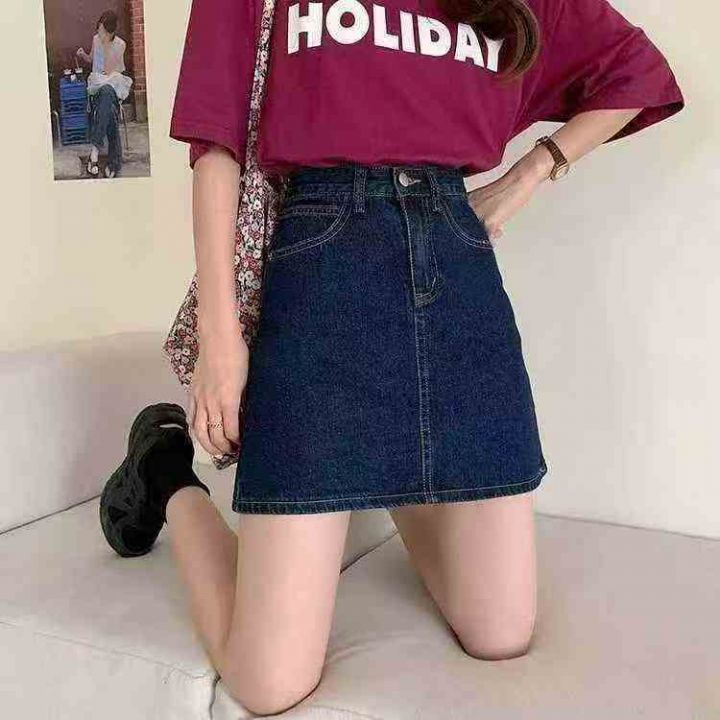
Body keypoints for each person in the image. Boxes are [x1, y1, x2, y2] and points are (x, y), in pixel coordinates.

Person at [100, 0, 684, 714]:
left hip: (457, 271)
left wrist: (531, 172)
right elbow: (217, 147)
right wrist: (221, 338)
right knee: (268, 681)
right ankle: (164, 467)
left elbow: (638, 72)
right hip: (321, 270)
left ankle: (390, 466)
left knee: (501, 632)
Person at [76, 10, 129, 178]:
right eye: (98, 28)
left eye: (102, 30)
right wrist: (83, 55)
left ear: (110, 31)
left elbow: (112, 71)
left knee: (107, 92)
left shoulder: (120, 45)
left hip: (112, 86)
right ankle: (114, 163)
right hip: (97, 88)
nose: (99, 32)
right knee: (110, 112)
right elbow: (93, 61)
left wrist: (106, 47)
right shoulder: (95, 40)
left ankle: (94, 154)